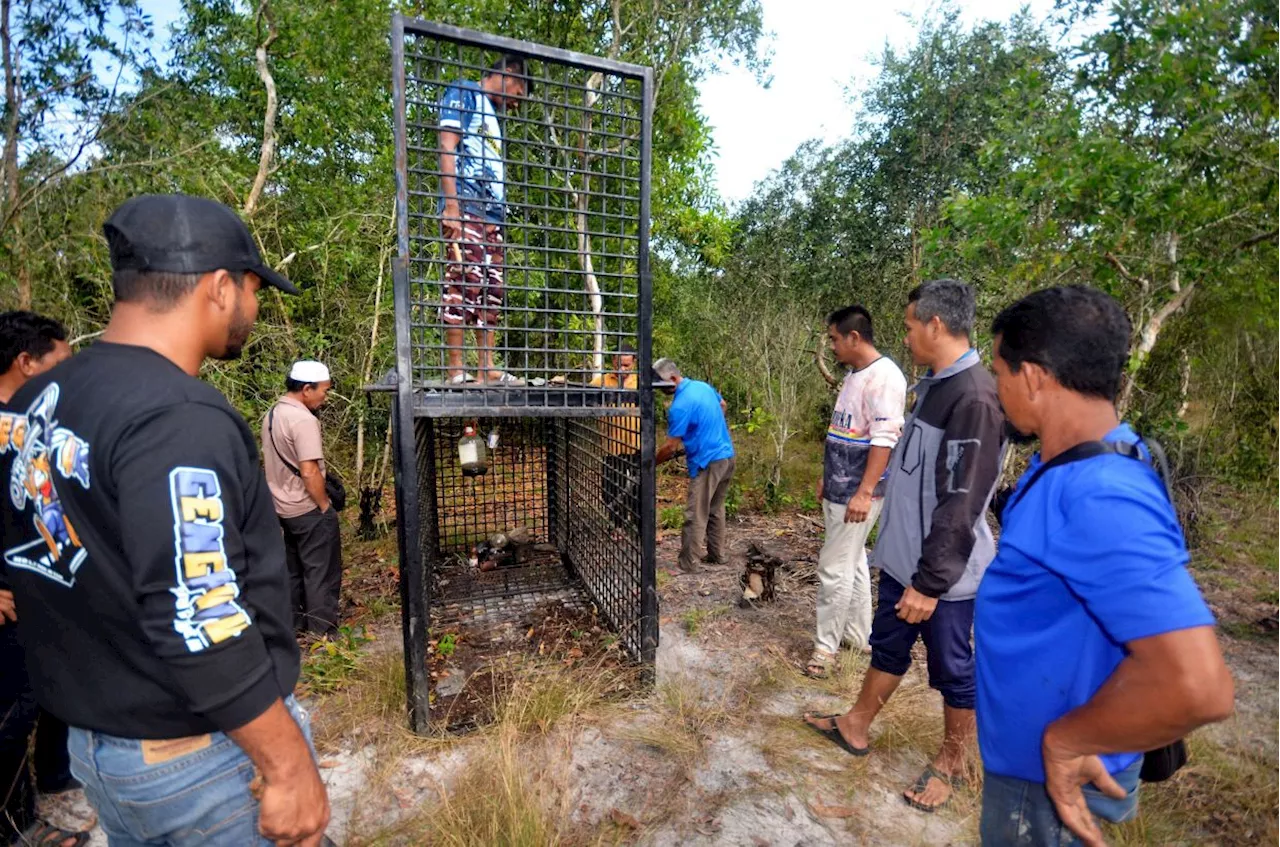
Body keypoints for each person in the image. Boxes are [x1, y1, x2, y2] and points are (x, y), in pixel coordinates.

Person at [0, 194, 329, 846]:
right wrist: (286, 763)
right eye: (255, 290)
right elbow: (201, 612)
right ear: (218, 288)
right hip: (201, 756)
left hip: (103, 751)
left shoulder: (38, 399)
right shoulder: (178, 416)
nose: (257, 309)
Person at [978, 285, 1234, 847]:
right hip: (1026, 774)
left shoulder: (1099, 493)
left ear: (1035, 377)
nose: (996, 390)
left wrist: (1067, 741)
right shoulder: (1078, 461)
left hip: (1046, 791)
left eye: (999, 372)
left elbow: (1199, 686)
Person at [803, 279, 1004, 813]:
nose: (907, 334)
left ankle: (952, 763)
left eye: (912, 325)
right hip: (902, 561)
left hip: (941, 577)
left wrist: (930, 582)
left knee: (953, 670)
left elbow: (962, 503)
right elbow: (908, 470)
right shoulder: (933, 385)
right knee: (888, 648)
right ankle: (855, 725)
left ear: (937, 324)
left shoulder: (975, 399)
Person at [0, 311, 86, 847]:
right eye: (60, 363)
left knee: (57, 685)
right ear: (26, 362)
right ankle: (16, 824)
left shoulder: (32, 420)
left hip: (45, 582)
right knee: (14, 709)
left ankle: (56, 778)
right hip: (7, 596)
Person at [806, 306, 907, 679]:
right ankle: (857, 636)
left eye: (834, 338)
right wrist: (826, 476)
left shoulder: (884, 378)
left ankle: (824, 649)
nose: (831, 346)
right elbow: (842, 433)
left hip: (856, 495)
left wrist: (864, 493)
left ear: (854, 337)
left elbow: (884, 440)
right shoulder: (854, 376)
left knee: (834, 568)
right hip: (840, 486)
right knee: (854, 563)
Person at [438, 54, 529, 386]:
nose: (515, 105)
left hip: (492, 215)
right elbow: (447, 146)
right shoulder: (466, 92)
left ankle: (487, 367)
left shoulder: (492, 116)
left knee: (492, 290)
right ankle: (457, 370)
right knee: (463, 284)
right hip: (465, 206)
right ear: (507, 74)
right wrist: (451, 207)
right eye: (517, 95)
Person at [263, 361, 343, 638]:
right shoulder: (303, 420)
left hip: (281, 507)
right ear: (306, 389)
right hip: (307, 508)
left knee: (294, 569)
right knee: (321, 571)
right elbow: (309, 471)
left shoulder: (274, 413)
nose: (326, 396)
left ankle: (295, 624)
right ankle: (323, 633)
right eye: (324, 390)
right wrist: (323, 505)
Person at [654, 358, 735, 573]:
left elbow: (671, 447)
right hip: (726, 454)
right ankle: (717, 555)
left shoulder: (679, 406)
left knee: (696, 513)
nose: (658, 389)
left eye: (660, 384)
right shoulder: (702, 386)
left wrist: (650, 463)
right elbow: (722, 404)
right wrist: (709, 430)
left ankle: (688, 563)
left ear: (672, 378)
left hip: (707, 461)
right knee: (715, 508)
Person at [591, 344, 640, 535]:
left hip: (635, 445)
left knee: (638, 489)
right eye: (620, 364)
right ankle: (617, 525)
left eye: (627, 365)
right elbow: (583, 396)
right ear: (613, 361)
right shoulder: (601, 381)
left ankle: (639, 526)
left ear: (634, 363)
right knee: (611, 488)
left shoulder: (640, 382)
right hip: (611, 446)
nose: (623, 369)